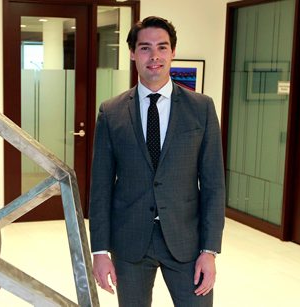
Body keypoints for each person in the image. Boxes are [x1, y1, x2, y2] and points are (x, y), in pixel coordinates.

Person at [89, 16, 225, 307]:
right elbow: (100, 187)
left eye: (162, 47)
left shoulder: (201, 108)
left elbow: (214, 185)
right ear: (133, 53)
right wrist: (99, 251)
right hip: (130, 242)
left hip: (187, 241)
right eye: (145, 48)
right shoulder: (111, 112)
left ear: (172, 52)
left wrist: (209, 250)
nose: (154, 56)